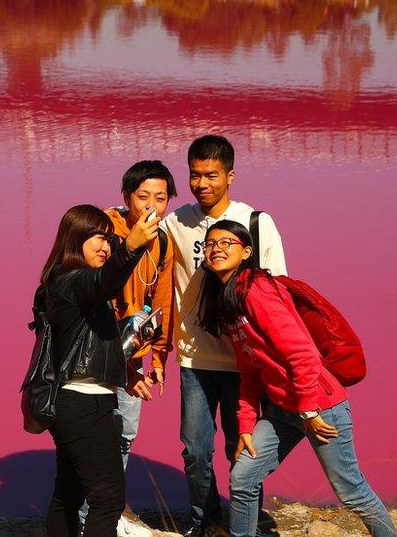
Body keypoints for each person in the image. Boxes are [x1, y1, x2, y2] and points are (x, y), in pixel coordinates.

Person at [197, 220, 397, 537]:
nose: (217, 249)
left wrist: (308, 411)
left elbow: (302, 354)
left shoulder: (257, 290)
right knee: (243, 477)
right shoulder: (229, 299)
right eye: (210, 244)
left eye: (226, 243)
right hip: (282, 410)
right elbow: (250, 369)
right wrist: (246, 424)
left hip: (321, 408)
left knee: (351, 491)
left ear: (246, 252)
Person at [161, 135, 286, 535]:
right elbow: (139, 237)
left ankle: (243, 520)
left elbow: (280, 293)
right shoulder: (176, 221)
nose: (202, 184)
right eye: (195, 175)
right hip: (194, 358)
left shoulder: (256, 223)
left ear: (230, 176)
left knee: (243, 451)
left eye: (211, 175)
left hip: (244, 361)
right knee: (196, 451)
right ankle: (204, 519)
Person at [40, 204, 161, 537]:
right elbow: (107, 283)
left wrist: (129, 369)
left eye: (110, 239)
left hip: (73, 400)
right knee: (108, 498)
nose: (106, 246)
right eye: (98, 237)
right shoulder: (75, 281)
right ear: (75, 237)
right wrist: (132, 247)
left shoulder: (62, 283)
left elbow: (87, 346)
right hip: (85, 402)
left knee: (68, 494)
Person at [78, 161, 177, 537]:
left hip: (132, 353)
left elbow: (162, 298)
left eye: (160, 197)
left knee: (123, 435)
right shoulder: (104, 232)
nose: (151, 205)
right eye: (142, 196)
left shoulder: (162, 240)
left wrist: (160, 355)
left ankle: (104, 510)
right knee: (94, 434)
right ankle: (88, 516)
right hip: (96, 355)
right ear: (126, 197)